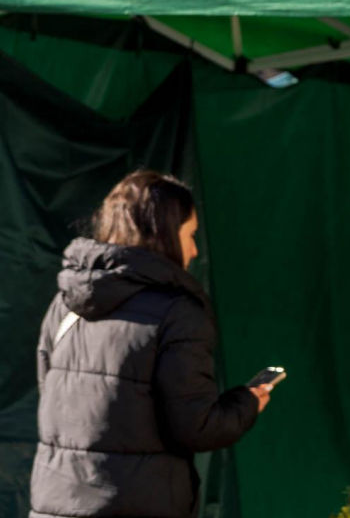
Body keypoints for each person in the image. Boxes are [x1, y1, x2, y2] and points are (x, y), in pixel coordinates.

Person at [30, 170, 269, 518]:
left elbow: (51, 397)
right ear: (165, 234)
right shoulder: (178, 312)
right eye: (189, 235)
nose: (194, 249)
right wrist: (248, 402)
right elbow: (195, 427)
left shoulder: (64, 304)